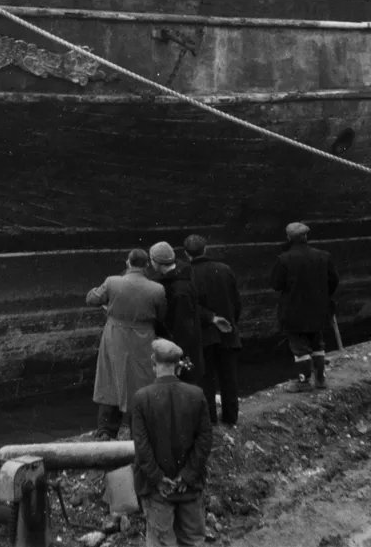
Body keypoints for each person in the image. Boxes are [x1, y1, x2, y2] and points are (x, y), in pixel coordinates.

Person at [130, 338, 212, 547]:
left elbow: (141, 445)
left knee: (161, 541)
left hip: (157, 489)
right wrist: (187, 476)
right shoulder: (196, 395)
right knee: (193, 540)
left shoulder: (141, 398)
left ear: (153, 362)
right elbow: (204, 440)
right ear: (177, 365)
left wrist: (158, 478)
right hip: (189, 486)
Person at [86, 248, 167, 440]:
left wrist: (111, 306)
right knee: (141, 380)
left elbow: (92, 299)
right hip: (143, 337)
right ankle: (138, 431)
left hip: (115, 335)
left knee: (111, 379)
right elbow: (161, 315)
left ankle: (106, 430)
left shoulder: (113, 281)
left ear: (128, 263)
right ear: (147, 265)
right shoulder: (157, 289)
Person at [270, 222, 339, 392]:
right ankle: (321, 380)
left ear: (288, 238)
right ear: (306, 236)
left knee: (300, 348)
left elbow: (276, 284)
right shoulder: (324, 256)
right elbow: (334, 281)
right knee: (318, 345)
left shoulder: (284, 259)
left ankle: (303, 381)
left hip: (294, 311)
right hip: (319, 309)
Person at [183, 234, 240, 427]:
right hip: (227, 331)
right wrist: (232, 322)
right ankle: (231, 418)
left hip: (203, 334)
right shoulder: (225, 269)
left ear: (186, 254)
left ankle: (210, 420)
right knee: (229, 377)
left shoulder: (187, 274)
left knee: (206, 378)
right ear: (205, 249)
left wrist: (209, 318)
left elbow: (190, 307)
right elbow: (236, 302)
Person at [148, 242, 205, 385]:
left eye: (151, 260)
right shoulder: (182, 277)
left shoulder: (178, 289)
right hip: (184, 344)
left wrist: (179, 354)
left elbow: (183, 325)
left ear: (157, 262)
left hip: (179, 348)